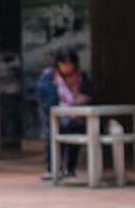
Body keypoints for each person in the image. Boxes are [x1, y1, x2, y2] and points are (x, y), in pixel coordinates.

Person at [37, 49, 95, 180]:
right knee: (53, 138)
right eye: (64, 64)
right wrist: (63, 102)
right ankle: (53, 169)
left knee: (75, 138)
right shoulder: (49, 77)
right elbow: (45, 99)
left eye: (70, 64)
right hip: (55, 116)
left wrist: (83, 100)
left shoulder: (82, 77)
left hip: (77, 116)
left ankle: (70, 168)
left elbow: (90, 96)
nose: (67, 68)